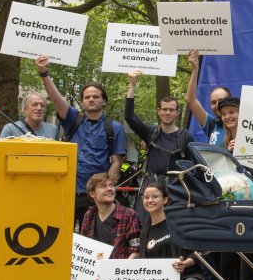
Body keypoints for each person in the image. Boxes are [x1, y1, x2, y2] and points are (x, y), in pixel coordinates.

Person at [36, 56, 126, 227]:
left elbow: (116, 162)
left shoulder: (114, 127)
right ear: (83, 101)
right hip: (66, 192)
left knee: (93, 242)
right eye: (87, 97)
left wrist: (106, 189)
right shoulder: (73, 119)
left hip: (94, 198)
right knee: (62, 238)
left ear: (104, 101)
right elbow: (55, 98)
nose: (91, 99)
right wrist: (44, 73)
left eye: (96, 96)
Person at [124, 182, 208, 280]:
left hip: (186, 277)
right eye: (146, 197)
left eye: (155, 197)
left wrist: (186, 264)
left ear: (165, 200)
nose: (150, 200)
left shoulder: (177, 224)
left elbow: (200, 250)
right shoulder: (145, 231)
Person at [70, 173, 140, 280]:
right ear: (92, 194)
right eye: (103, 186)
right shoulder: (89, 216)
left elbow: (135, 253)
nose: (110, 189)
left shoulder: (129, 215)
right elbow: (84, 253)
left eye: (111, 185)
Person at [123, 70, 191, 223]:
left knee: (172, 229)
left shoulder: (186, 136)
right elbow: (129, 117)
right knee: (143, 225)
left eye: (171, 109)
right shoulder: (150, 132)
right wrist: (132, 85)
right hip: (150, 188)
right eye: (164, 109)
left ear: (177, 113)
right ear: (158, 111)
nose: (167, 112)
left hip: (174, 191)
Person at [185, 49, 231, 144]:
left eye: (221, 100)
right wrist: (195, 69)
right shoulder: (212, 125)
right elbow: (190, 100)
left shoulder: (243, 126)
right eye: (213, 102)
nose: (217, 104)